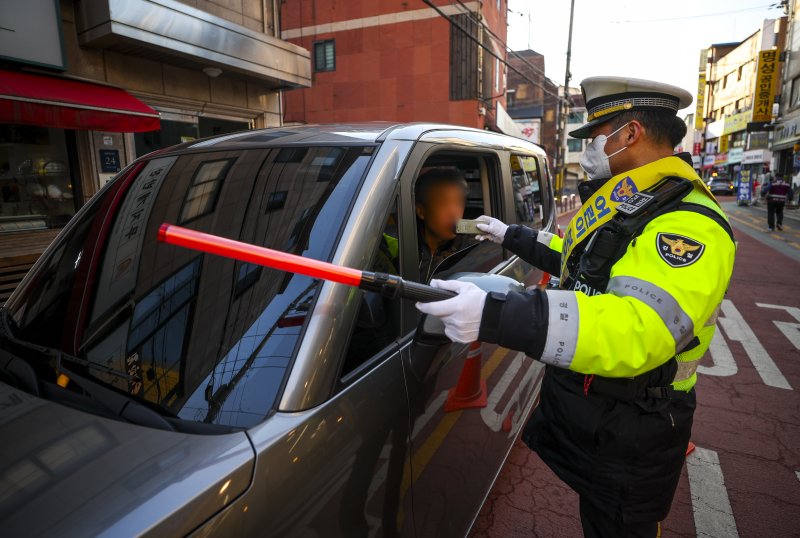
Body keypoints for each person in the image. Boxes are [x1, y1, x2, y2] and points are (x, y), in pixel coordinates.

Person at [417, 77, 736, 537]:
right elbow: (580, 262)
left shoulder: (686, 223)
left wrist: (497, 314)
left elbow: (639, 329)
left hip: (635, 430)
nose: (590, 148)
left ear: (630, 134)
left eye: (596, 134)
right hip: (603, 420)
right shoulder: (632, 201)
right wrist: (510, 235)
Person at [414, 167, 475, 282]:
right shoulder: (403, 247)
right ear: (421, 211)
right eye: (443, 203)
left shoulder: (470, 249)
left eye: (458, 203)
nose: (453, 212)